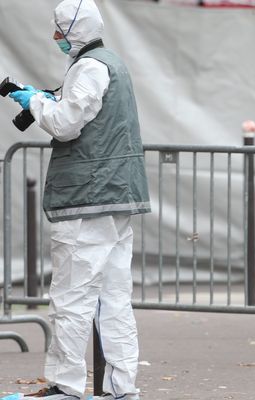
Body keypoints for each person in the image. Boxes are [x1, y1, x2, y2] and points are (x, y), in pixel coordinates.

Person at [8, 0, 151, 399]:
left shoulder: (89, 68)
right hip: (118, 197)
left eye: (59, 30)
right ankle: (121, 389)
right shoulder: (113, 64)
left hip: (87, 199)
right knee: (114, 300)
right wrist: (47, 98)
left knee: (71, 297)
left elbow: (66, 125)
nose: (56, 38)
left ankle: (65, 387)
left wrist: (35, 101)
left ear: (74, 31)